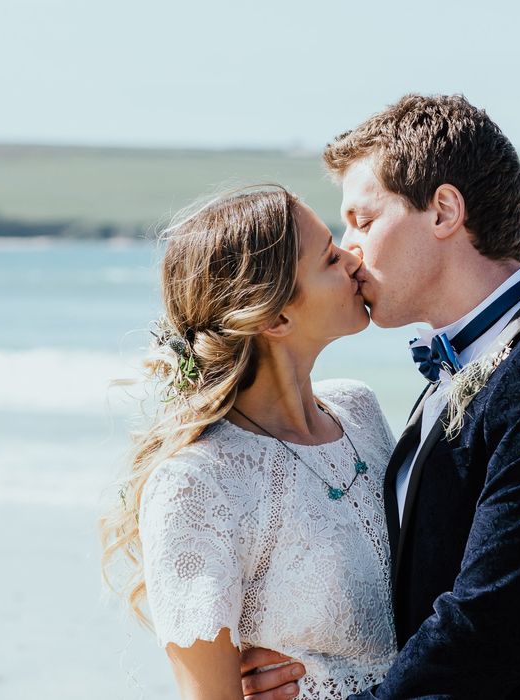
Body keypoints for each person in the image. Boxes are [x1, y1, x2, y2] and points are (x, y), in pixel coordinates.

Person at [240, 95, 520, 699]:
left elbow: (490, 624)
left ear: (444, 211)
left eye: (364, 220)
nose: (348, 249)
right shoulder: (465, 366)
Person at [99, 187, 400, 699]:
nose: (354, 259)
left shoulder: (361, 411)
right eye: (329, 256)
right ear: (274, 318)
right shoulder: (196, 484)